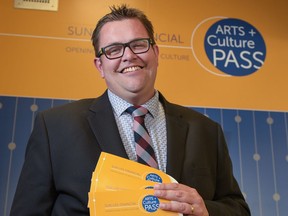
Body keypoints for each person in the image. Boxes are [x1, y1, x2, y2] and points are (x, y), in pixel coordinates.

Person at [10, 4, 251, 216]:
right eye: (114, 50)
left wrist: (205, 209)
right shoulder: (55, 128)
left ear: (156, 53)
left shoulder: (206, 131)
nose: (129, 56)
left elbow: (237, 208)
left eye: (139, 45)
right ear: (100, 65)